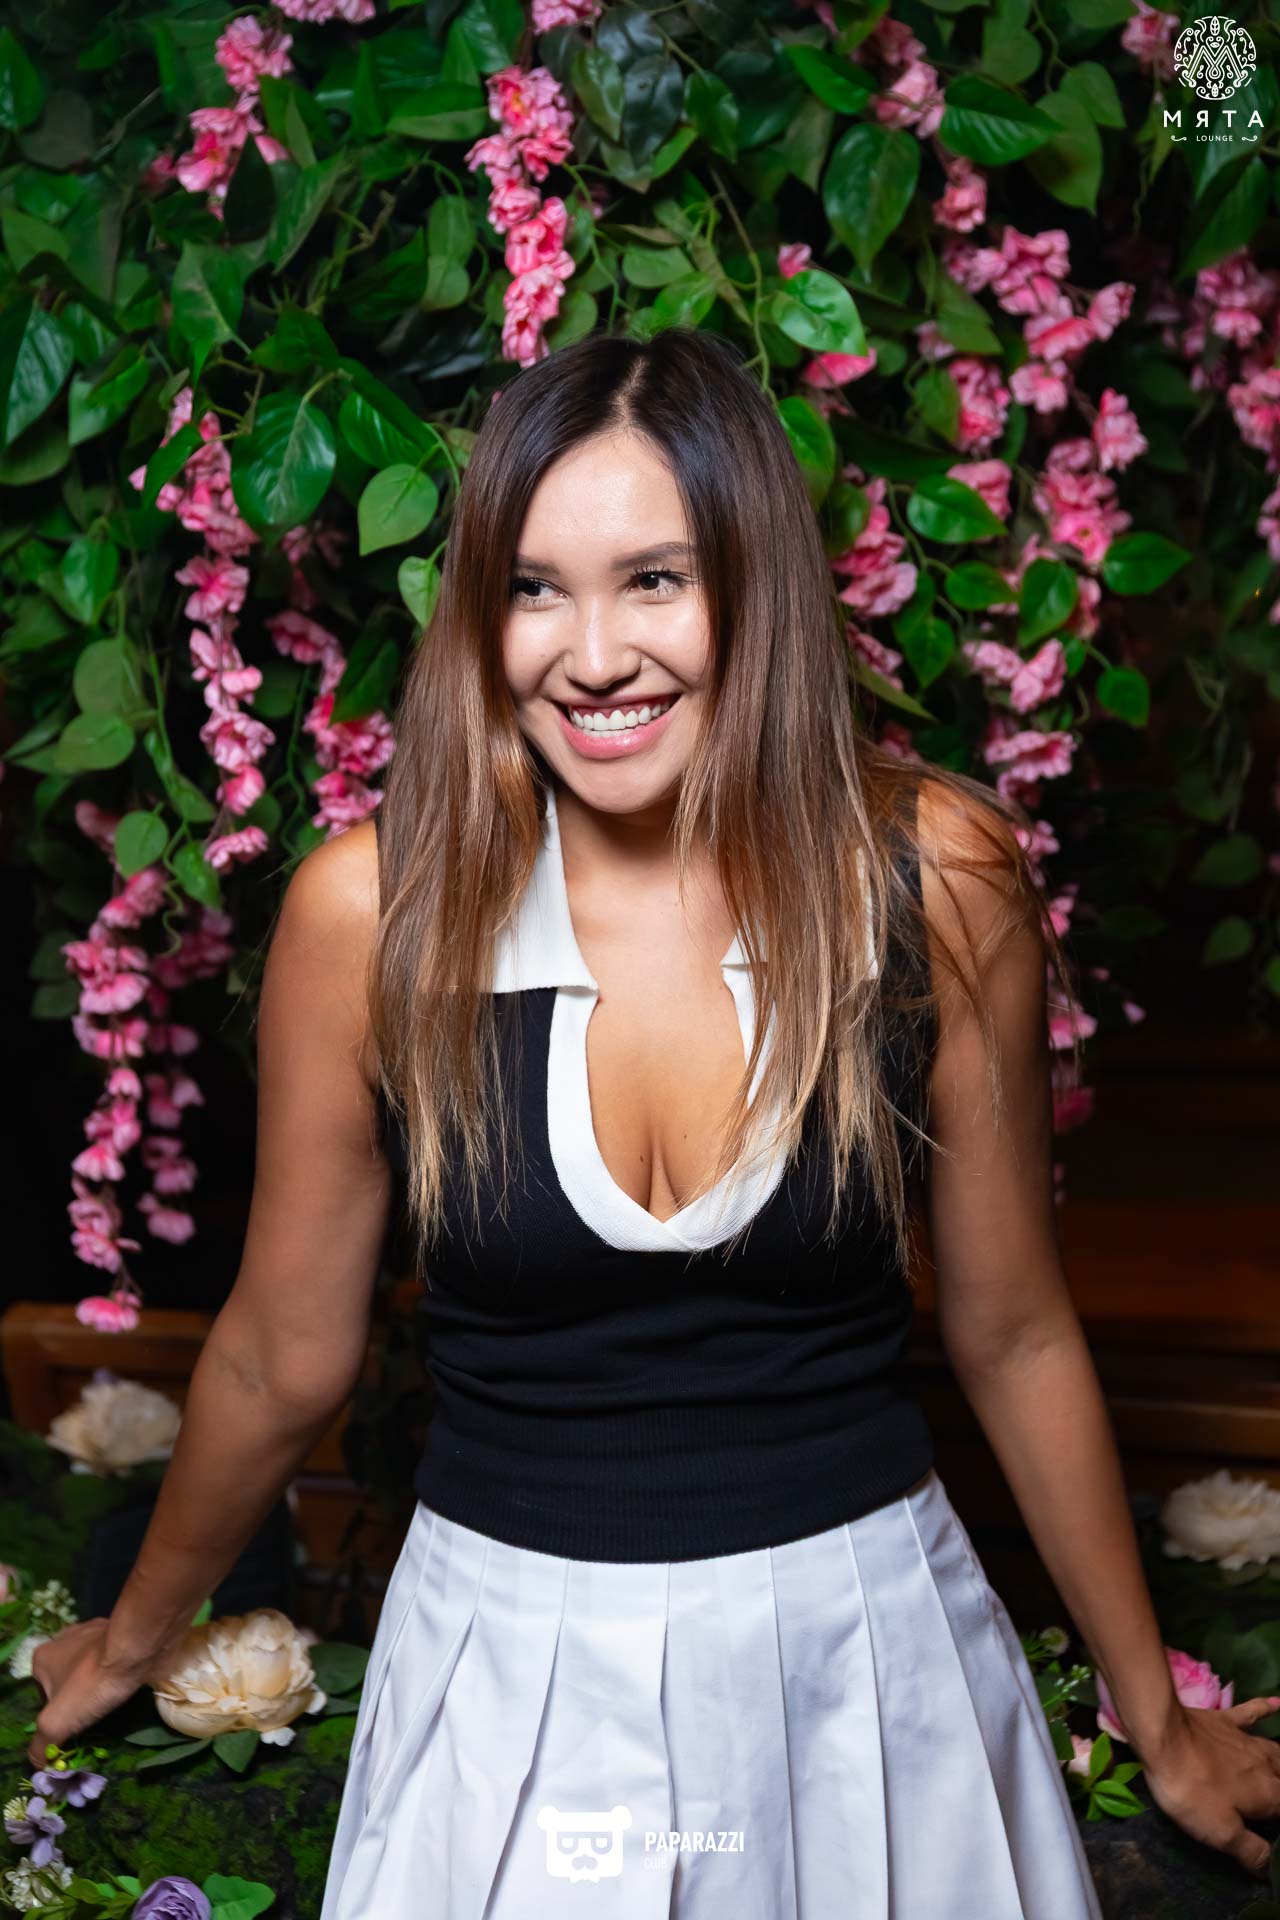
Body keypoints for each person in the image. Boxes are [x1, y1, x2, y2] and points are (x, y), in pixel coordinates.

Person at [28, 329, 1280, 1918]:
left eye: (656, 581)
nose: (593, 653)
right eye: (535, 589)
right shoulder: (375, 912)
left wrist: (1157, 1722)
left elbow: (1016, 1331)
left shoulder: (937, 879)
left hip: (865, 1666)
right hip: (504, 1673)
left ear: (754, 587)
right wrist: (131, 1642)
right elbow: (282, 1353)